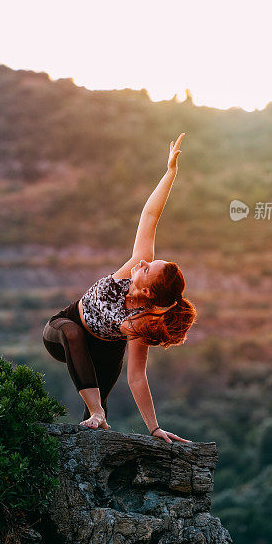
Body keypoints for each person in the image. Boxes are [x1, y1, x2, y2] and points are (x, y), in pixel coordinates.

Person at [42, 133, 196, 444]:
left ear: (149, 293)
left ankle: (96, 418)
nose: (142, 264)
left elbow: (137, 377)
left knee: (97, 422)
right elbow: (150, 215)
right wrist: (170, 173)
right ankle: (97, 412)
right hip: (64, 329)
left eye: (147, 269)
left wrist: (154, 428)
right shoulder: (134, 266)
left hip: (104, 351)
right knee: (72, 333)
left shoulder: (140, 322)